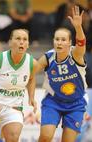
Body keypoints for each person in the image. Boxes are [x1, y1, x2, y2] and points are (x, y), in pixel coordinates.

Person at [36, 6, 88, 142]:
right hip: (53, 101)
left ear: (70, 43)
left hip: (75, 103)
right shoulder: (48, 58)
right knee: (46, 137)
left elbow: (81, 43)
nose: (59, 42)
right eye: (57, 39)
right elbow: (31, 72)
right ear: (53, 41)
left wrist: (78, 27)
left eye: (63, 40)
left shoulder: (75, 54)